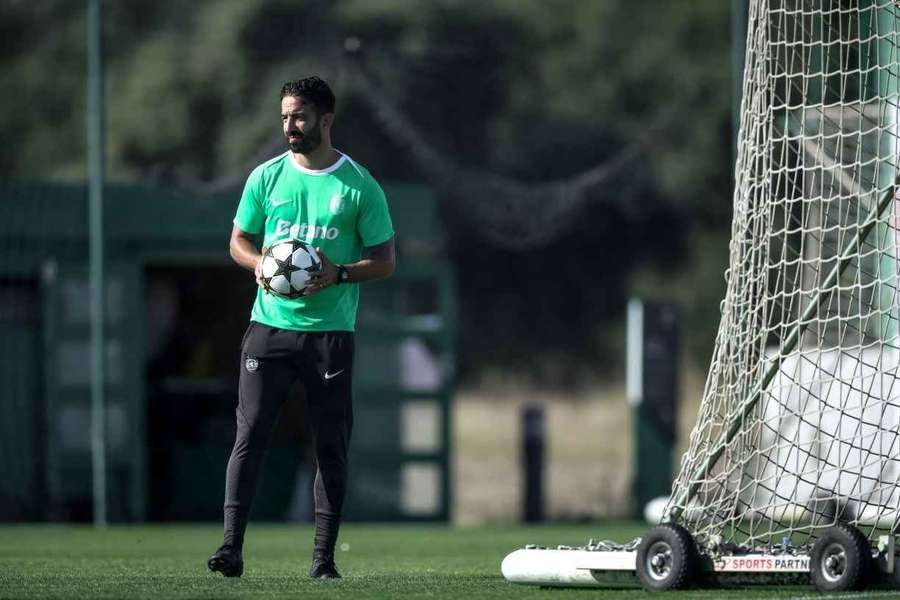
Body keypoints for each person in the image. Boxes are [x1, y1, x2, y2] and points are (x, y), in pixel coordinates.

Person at [207, 76, 396, 579]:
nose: (290, 126)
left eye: (300, 117)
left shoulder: (359, 184)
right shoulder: (266, 177)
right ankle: (230, 549)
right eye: (285, 116)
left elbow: (385, 260)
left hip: (331, 335)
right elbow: (238, 242)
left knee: (329, 442)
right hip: (268, 329)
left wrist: (339, 273)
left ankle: (322, 560)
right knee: (249, 436)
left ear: (325, 120)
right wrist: (262, 266)